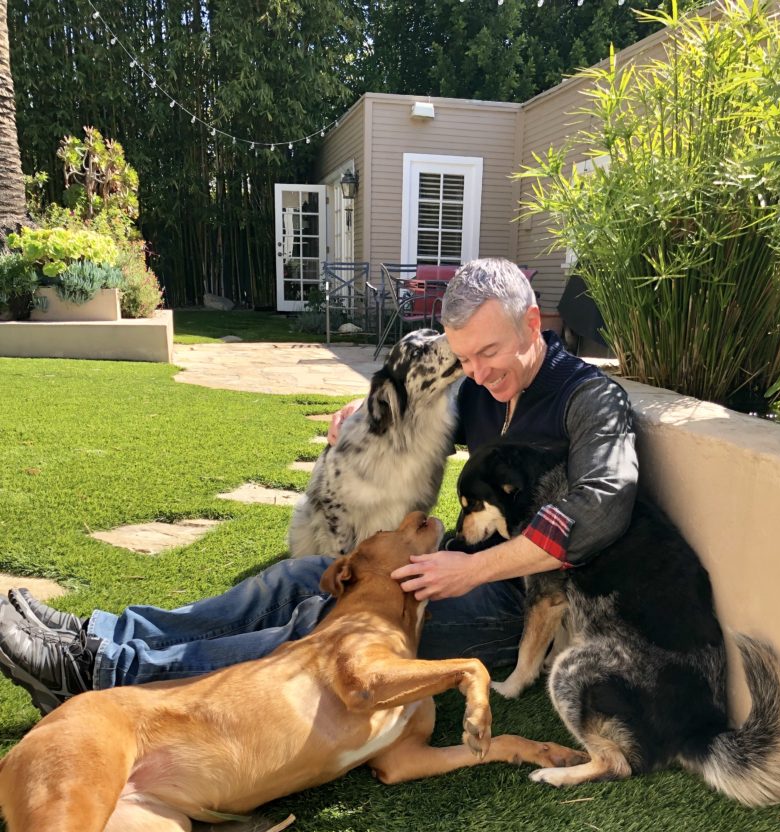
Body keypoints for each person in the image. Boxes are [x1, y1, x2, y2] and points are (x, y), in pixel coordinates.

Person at [0, 258, 637, 716]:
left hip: (524, 607)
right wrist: (354, 416)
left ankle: (101, 671)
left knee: (321, 618)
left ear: (532, 321)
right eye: (464, 359)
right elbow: (404, 404)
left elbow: (600, 506)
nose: (475, 373)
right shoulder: (484, 383)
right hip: (457, 564)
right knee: (300, 579)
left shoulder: (588, 399)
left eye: (487, 354)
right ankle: (101, 633)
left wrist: (472, 572)